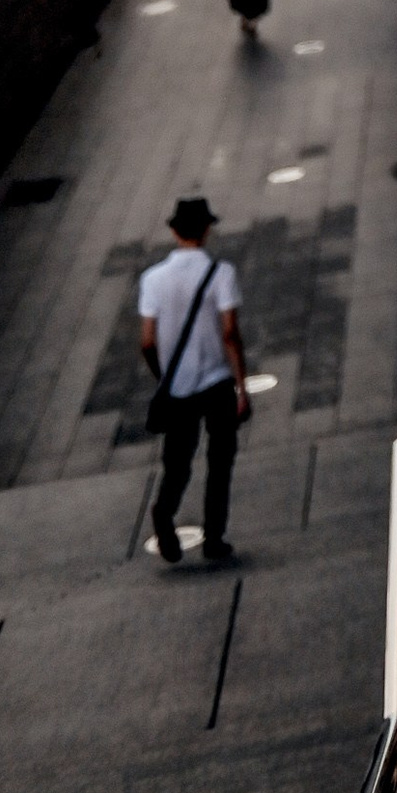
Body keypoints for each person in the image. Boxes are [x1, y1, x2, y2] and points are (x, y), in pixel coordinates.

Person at [138, 192, 250, 566]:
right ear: (205, 230)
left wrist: (163, 376)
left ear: (174, 231)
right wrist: (241, 386)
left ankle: (164, 512)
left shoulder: (152, 279)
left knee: (178, 461)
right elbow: (230, 332)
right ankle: (214, 536)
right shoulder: (221, 273)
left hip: (179, 387)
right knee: (220, 462)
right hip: (217, 383)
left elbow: (147, 341)